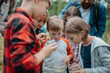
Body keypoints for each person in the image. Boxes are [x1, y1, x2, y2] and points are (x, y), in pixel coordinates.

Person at [3, 0, 57, 73]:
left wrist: (35, 40)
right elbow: (22, 64)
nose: (45, 11)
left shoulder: (16, 18)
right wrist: (44, 52)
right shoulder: (23, 22)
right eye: (46, 7)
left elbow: (19, 48)